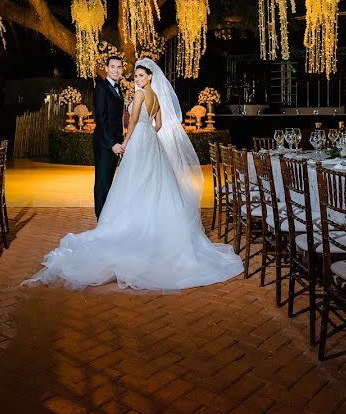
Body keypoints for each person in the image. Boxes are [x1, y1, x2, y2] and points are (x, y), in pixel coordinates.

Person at [26, 59, 244, 290]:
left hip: (138, 141)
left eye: (140, 75)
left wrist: (127, 142)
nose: (136, 79)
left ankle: (126, 228)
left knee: (132, 183)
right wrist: (147, 133)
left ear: (149, 77)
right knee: (152, 184)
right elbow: (158, 125)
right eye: (136, 76)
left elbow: (131, 124)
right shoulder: (157, 98)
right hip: (151, 141)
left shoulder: (140, 95)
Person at [91, 56, 125, 219]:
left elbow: (117, 120)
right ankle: (101, 219)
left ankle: (107, 217)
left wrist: (121, 142)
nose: (115, 70)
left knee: (109, 182)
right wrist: (112, 144)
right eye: (112, 67)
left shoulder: (118, 89)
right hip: (105, 144)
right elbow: (101, 121)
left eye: (119, 67)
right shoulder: (101, 89)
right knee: (102, 182)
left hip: (115, 143)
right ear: (106, 68)